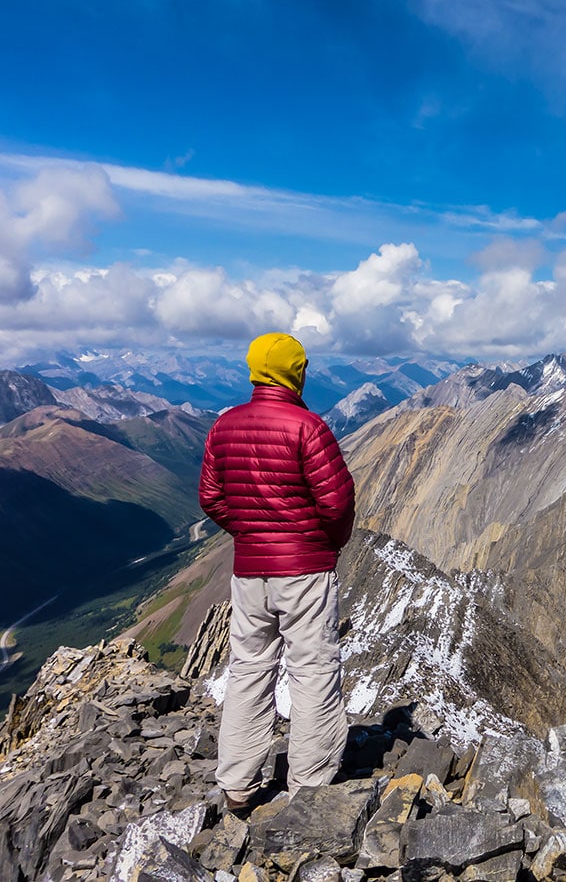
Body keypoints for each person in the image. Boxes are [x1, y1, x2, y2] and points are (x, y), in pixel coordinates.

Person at [199, 332, 355, 812]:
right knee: (312, 668)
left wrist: (248, 531)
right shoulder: (308, 427)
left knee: (248, 668)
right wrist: (327, 542)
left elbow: (211, 497)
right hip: (305, 569)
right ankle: (308, 785)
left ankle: (238, 784)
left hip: (249, 573)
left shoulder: (224, 427)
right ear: (296, 372)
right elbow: (337, 501)